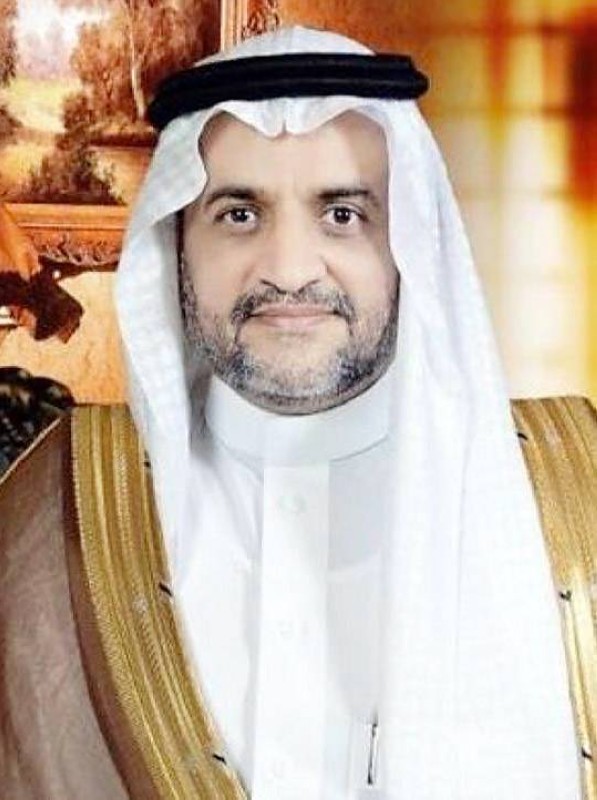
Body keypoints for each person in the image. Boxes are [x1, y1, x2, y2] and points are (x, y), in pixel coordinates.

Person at [1, 25, 595, 800]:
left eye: (341, 214)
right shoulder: (58, 505)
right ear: (178, 243)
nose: (286, 270)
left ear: (410, 240)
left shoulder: (573, 502)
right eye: (238, 215)